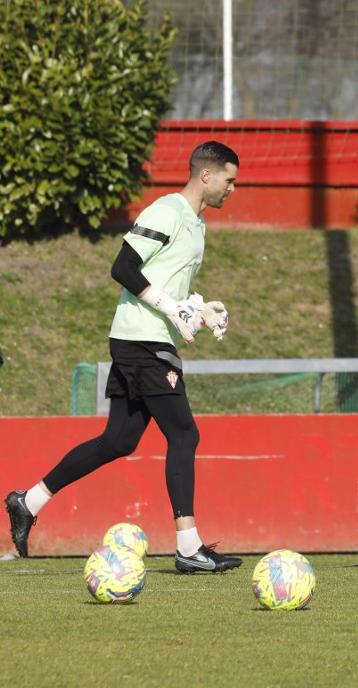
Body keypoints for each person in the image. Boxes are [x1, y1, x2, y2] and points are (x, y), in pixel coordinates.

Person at [5, 141, 242, 573]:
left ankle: (28, 500)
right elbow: (123, 268)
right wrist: (172, 308)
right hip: (143, 341)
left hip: (146, 338)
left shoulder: (197, 224)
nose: (232, 189)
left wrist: (198, 308)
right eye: (229, 180)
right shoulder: (166, 211)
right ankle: (188, 548)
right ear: (205, 175)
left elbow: (163, 280)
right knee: (184, 435)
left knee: (119, 441)